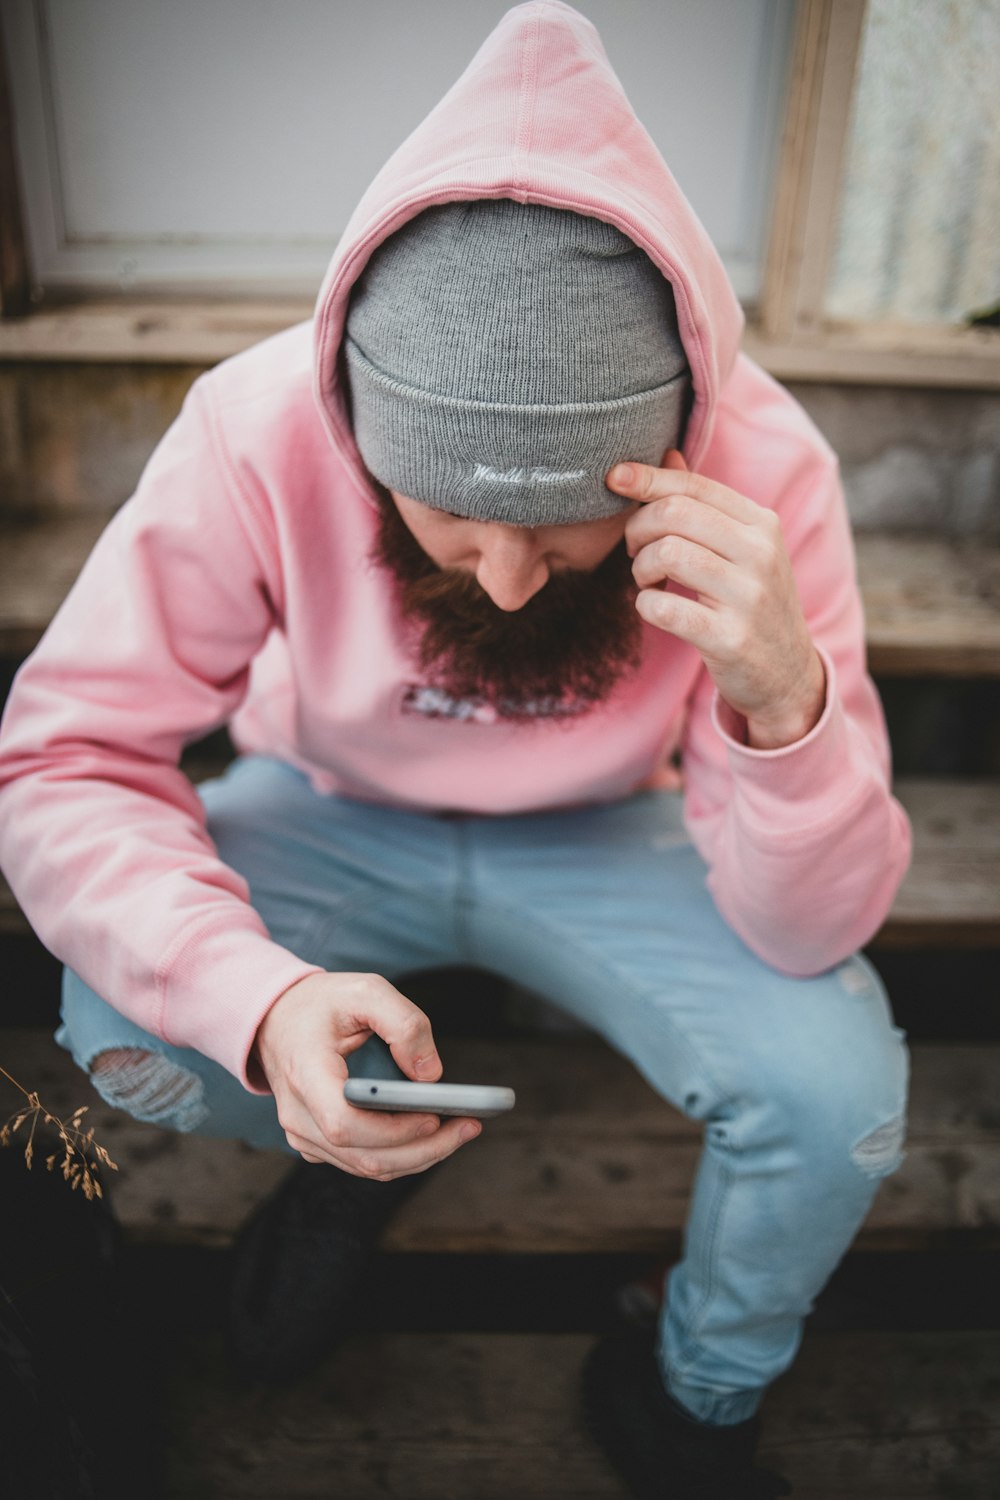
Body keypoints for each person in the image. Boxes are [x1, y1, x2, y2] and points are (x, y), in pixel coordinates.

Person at [0, 3, 912, 1496]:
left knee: (838, 1095)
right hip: (328, 806)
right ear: (356, 437)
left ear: (677, 450)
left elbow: (817, 921)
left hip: (618, 832)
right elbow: (65, 758)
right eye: (446, 519)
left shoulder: (772, 467)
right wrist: (260, 998)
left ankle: (695, 1390)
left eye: (563, 534)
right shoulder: (254, 428)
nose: (500, 580)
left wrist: (781, 701)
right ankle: (338, 1138)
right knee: (122, 1023)